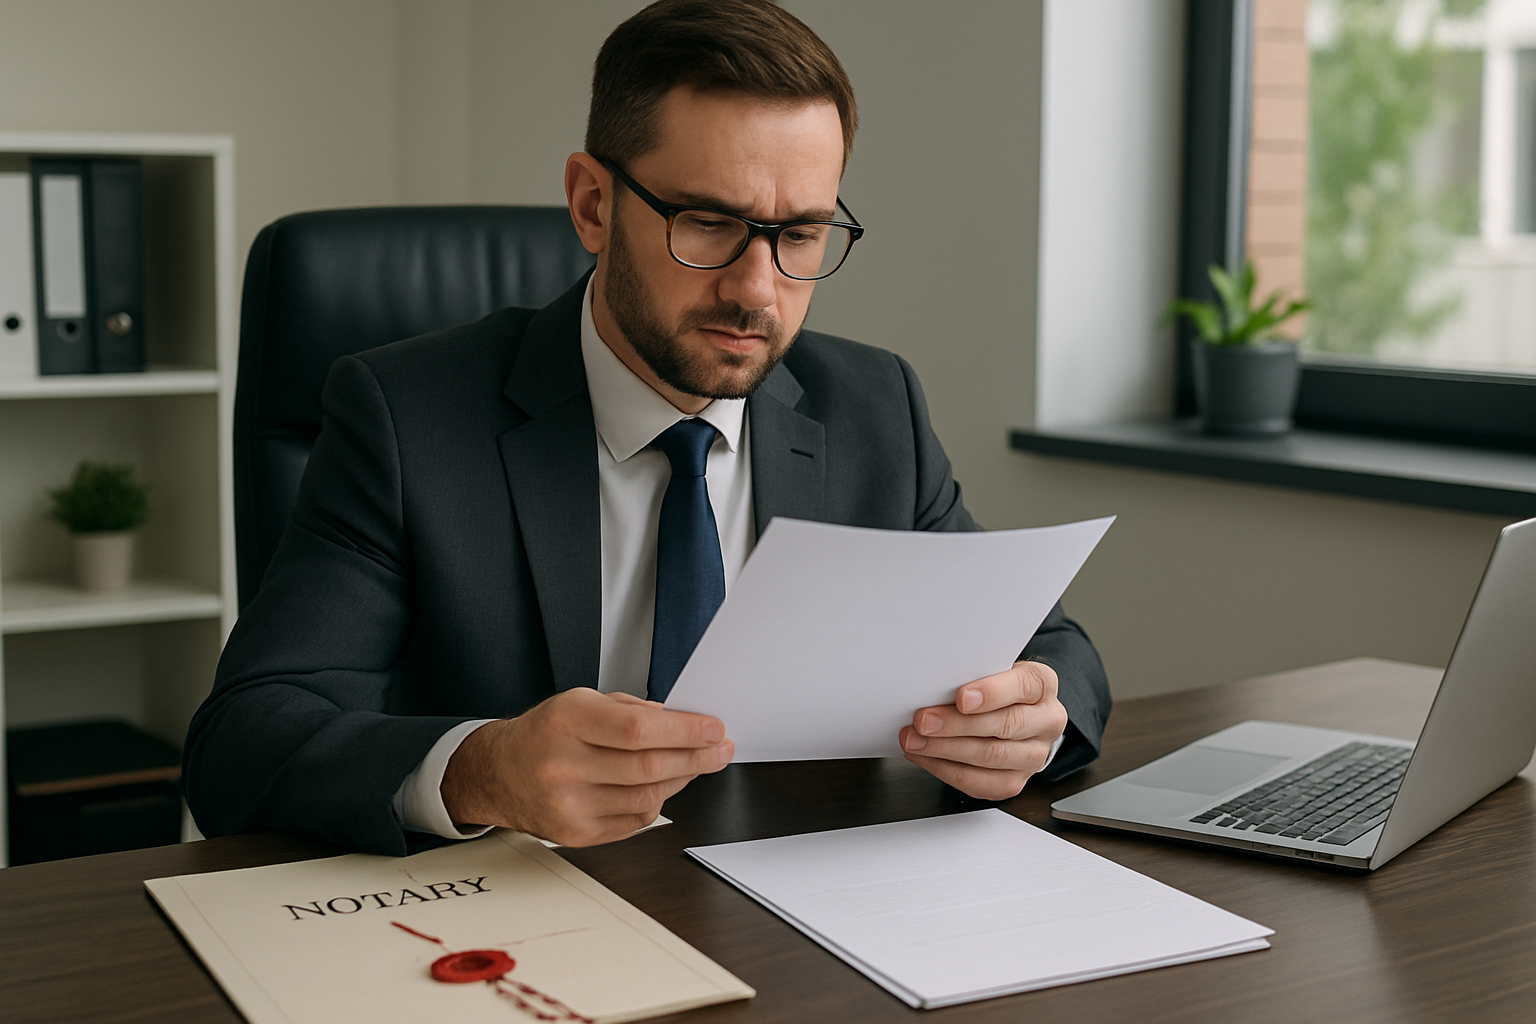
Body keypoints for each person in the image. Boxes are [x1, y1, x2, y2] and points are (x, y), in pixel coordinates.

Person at [186, 0, 1110, 856]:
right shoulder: (403, 417)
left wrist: (1031, 718)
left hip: (803, 908)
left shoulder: (874, 406)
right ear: (593, 204)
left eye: (800, 235)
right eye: (708, 223)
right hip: (521, 923)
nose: (757, 290)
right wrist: (483, 769)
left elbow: (1051, 649)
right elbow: (245, 741)